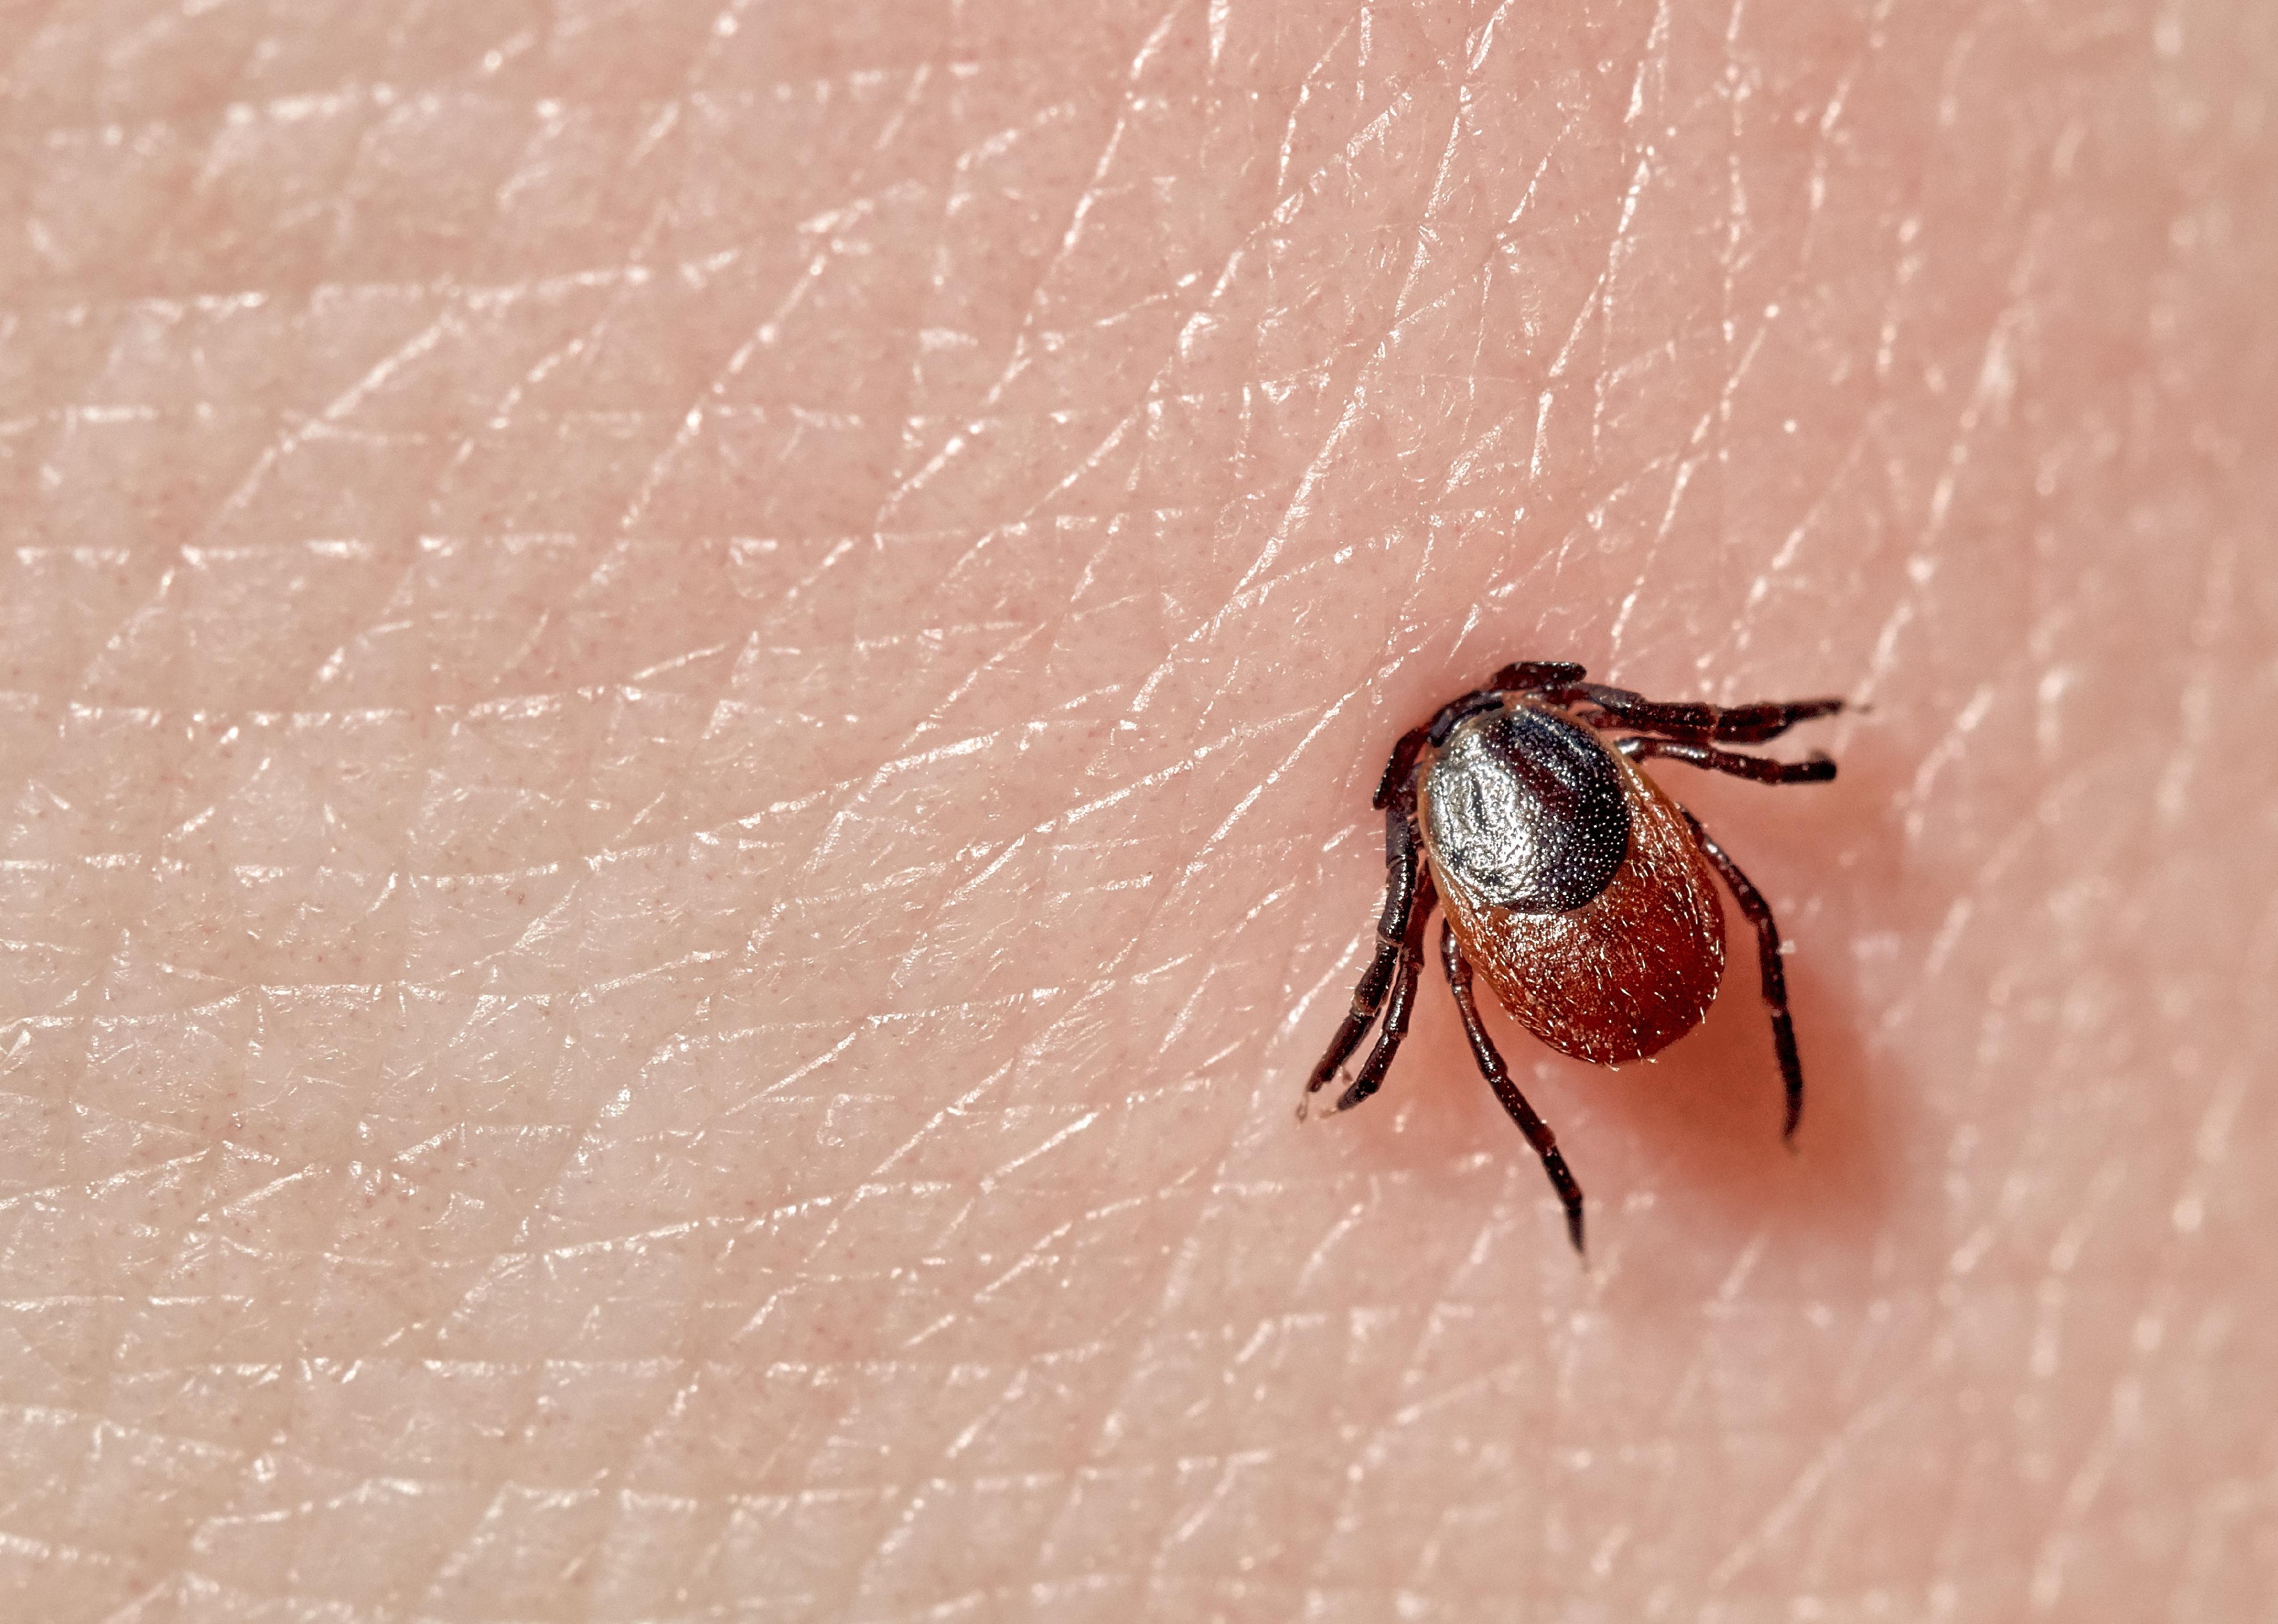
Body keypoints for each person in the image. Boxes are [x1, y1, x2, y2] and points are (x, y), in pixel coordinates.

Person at [4, 2, 2271, 1616]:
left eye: (1572, 749)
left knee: (1667, 970)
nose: (1558, 756)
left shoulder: (1513, 870)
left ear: (1596, 756)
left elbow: (1504, 942)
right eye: (1558, 749)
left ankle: (1586, 1148)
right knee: (1708, 945)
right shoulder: (1568, 813)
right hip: (1597, 957)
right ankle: (1597, 1142)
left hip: (1588, 967)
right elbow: (1610, 833)